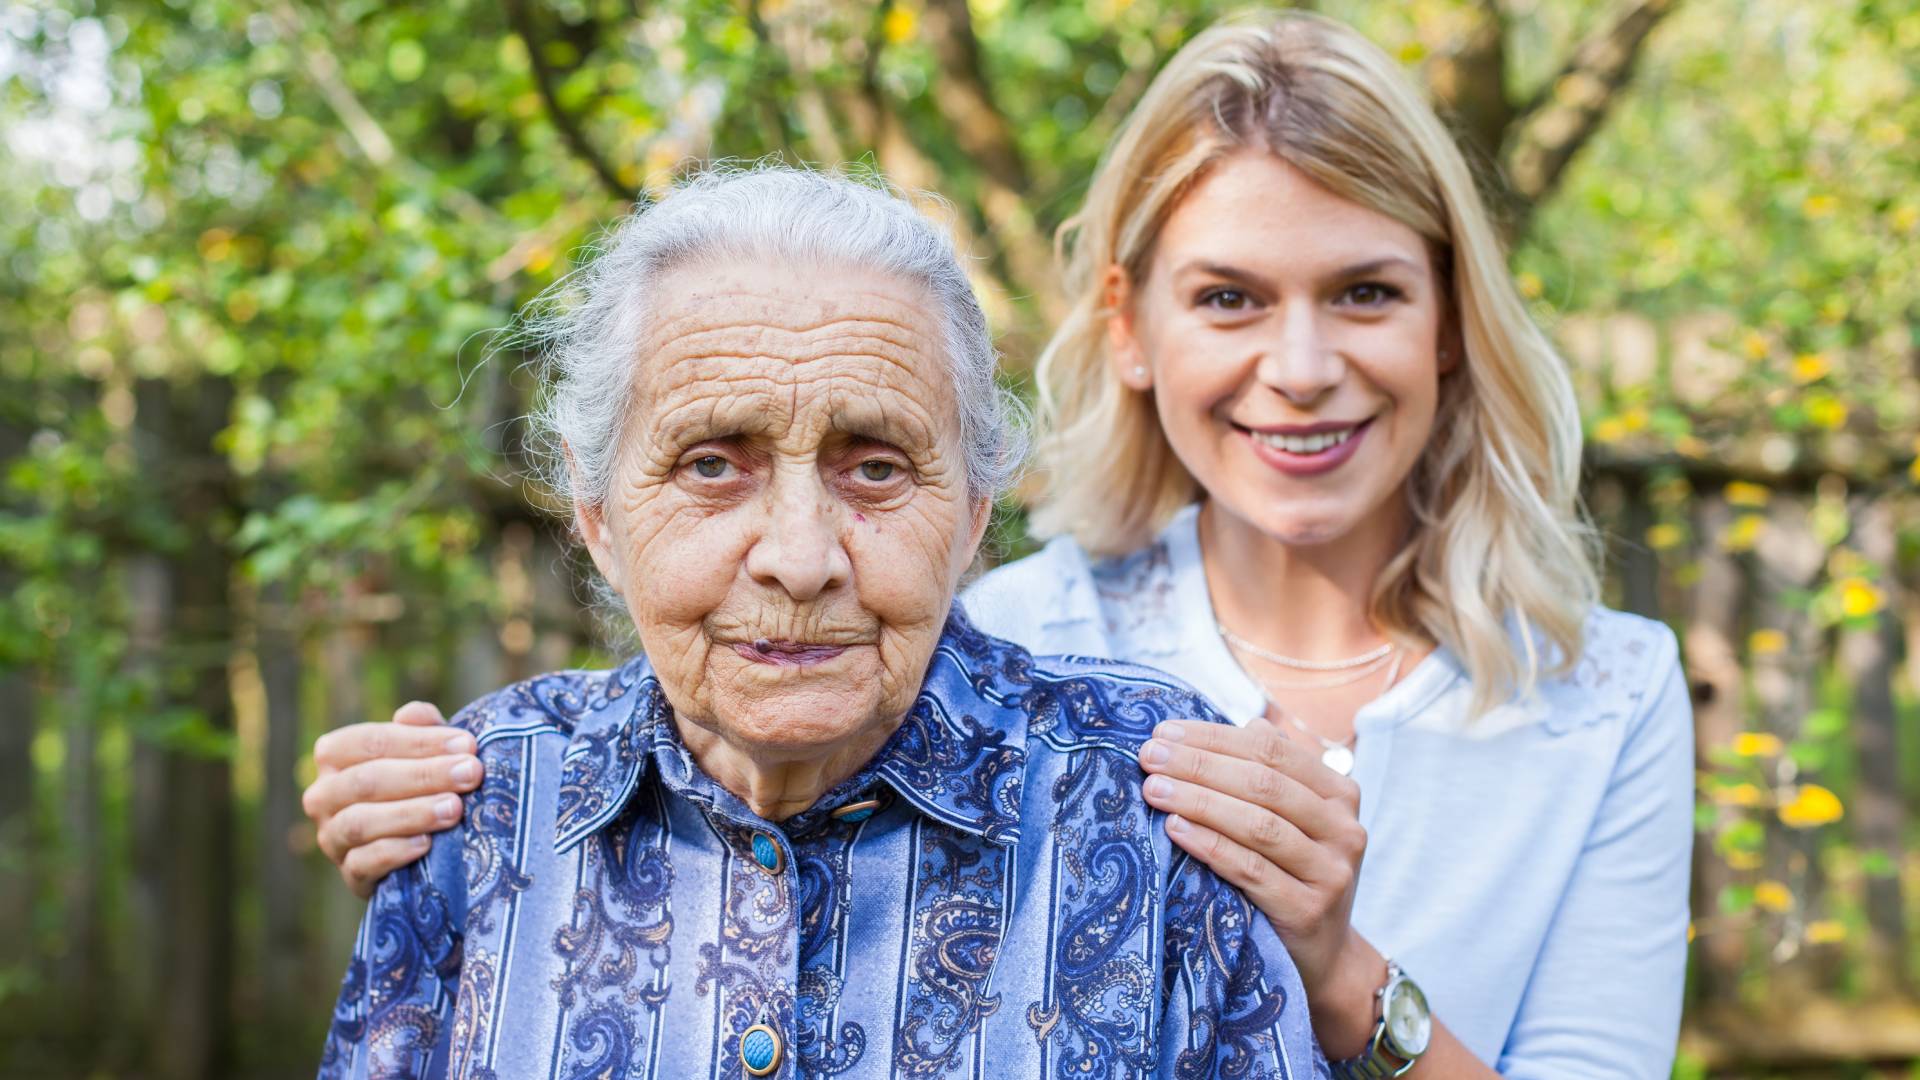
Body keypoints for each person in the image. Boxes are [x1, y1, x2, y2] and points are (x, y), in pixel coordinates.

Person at [305, 12, 1694, 1078]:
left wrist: (1340, 970)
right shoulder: (998, 622)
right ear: (1130, 325)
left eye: (1367, 292)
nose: (1303, 365)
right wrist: (445, 827)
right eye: (1228, 296)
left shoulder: (1601, 693)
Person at [316, 165, 1320, 1080]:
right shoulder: (481, 806)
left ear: (972, 515)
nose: (799, 559)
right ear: (598, 518)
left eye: (875, 467)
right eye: (712, 464)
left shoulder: (1153, 799)